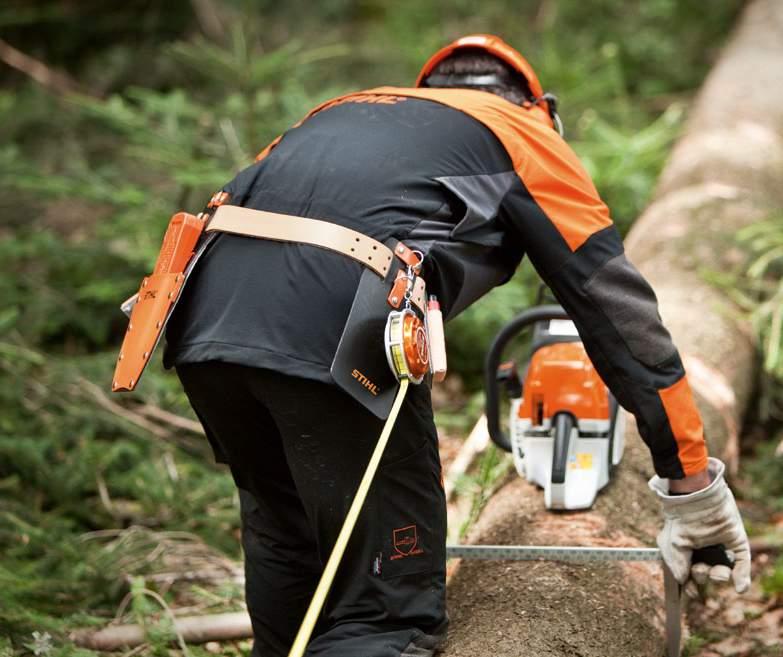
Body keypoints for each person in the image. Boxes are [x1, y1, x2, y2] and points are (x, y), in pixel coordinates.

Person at [163, 34, 751, 657]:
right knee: (386, 614)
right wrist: (692, 487)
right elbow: (619, 315)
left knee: (290, 542)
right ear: (540, 107)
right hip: (332, 321)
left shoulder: (337, 112)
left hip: (200, 316)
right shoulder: (524, 136)